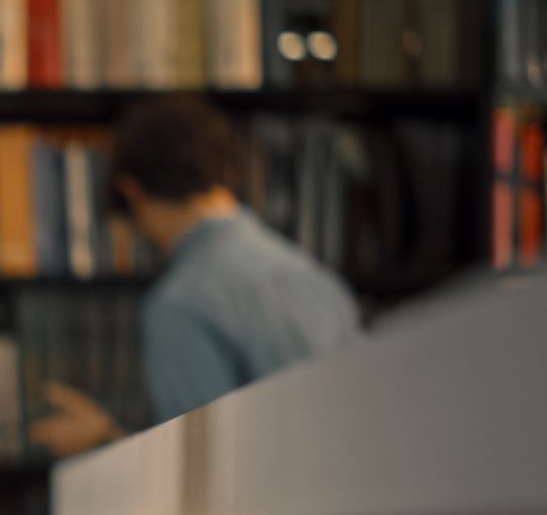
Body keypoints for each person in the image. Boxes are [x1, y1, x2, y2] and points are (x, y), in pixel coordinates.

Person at [28, 95, 362, 457]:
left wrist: (104, 439)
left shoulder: (179, 304)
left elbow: (205, 477)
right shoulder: (315, 278)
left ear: (132, 192)